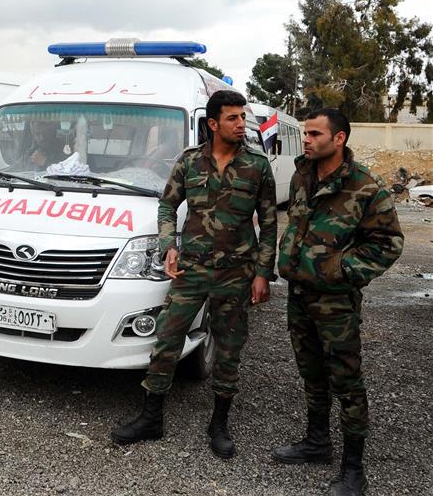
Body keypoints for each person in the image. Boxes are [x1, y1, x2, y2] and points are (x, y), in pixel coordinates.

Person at [110, 90, 277, 459]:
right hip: (192, 269)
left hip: (236, 272)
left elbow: (269, 222)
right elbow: (168, 204)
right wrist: (169, 245)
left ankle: (219, 423)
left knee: (229, 346)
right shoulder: (189, 162)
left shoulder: (257, 165)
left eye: (242, 117)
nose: (241, 124)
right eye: (232, 118)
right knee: (167, 339)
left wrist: (264, 272)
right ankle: (151, 417)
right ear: (213, 124)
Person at [271, 108, 403, 496]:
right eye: (305, 133)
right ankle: (317, 442)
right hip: (298, 294)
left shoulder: (366, 186)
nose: (306, 139)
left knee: (346, 381)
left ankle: (353, 469)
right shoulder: (302, 175)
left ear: (339, 138)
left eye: (314, 133)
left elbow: (389, 244)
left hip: (336, 303)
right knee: (311, 372)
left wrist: (340, 270)